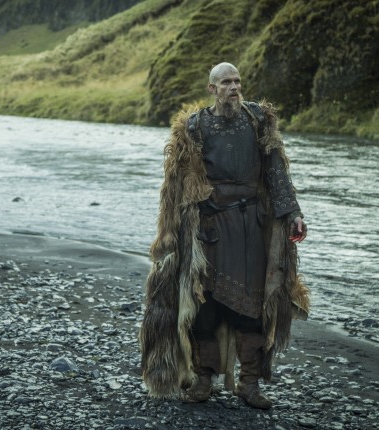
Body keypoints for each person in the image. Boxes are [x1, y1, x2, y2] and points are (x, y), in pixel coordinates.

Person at [139, 62, 310, 409]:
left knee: (253, 306)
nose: (234, 88)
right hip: (209, 228)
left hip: (252, 227)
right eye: (226, 82)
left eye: (237, 82)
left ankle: (249, 384)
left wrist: (293, 214)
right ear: (212, 88)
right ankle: (203, 378)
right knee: (205, 304)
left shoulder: (258, 120)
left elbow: (277, 172)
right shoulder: (195, 126)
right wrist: (171, 234)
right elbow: (176, 186)